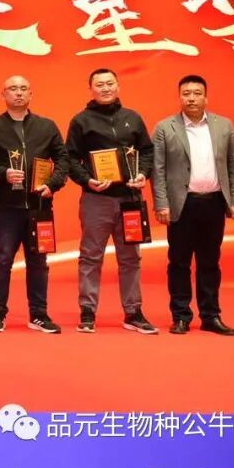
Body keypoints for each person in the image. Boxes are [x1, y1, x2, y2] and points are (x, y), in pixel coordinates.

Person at [0, 75, 68, 334]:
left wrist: (53, 184)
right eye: (13, 89)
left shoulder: (47, 126)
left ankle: (39, 314)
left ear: (31, 94)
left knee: (38, 261)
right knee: (2, 259)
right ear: (3, 94)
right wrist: (2, 173)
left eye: (24, 88)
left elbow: (63, 159)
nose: (18, 93)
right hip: (6, 207)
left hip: (40, 206)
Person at [65, 68, 156, 334]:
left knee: (131, 258)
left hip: (130, 198)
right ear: (91, 89)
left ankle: (133, 312)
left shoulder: (133, 118)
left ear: (118, 86)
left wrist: (143, 173)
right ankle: (87, 310)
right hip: (97, 199)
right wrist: (87, 180)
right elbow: (70, 158)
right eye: (99, 84)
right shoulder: (81, 121)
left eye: (109, 83)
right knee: (91, 256)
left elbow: (147, 151)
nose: (105, 88)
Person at [152, 75, 234, 336]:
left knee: (210, 262)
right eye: (186, 93)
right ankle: (181, 315)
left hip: (213, 203)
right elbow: (158, 170)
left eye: (196, 93)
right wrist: (162, 204)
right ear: (179, 97)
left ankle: (211, 316)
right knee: (178, 262)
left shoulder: (224, 125)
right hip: (181, 205)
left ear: (206, 97)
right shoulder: (165, 127)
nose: (191, 98)